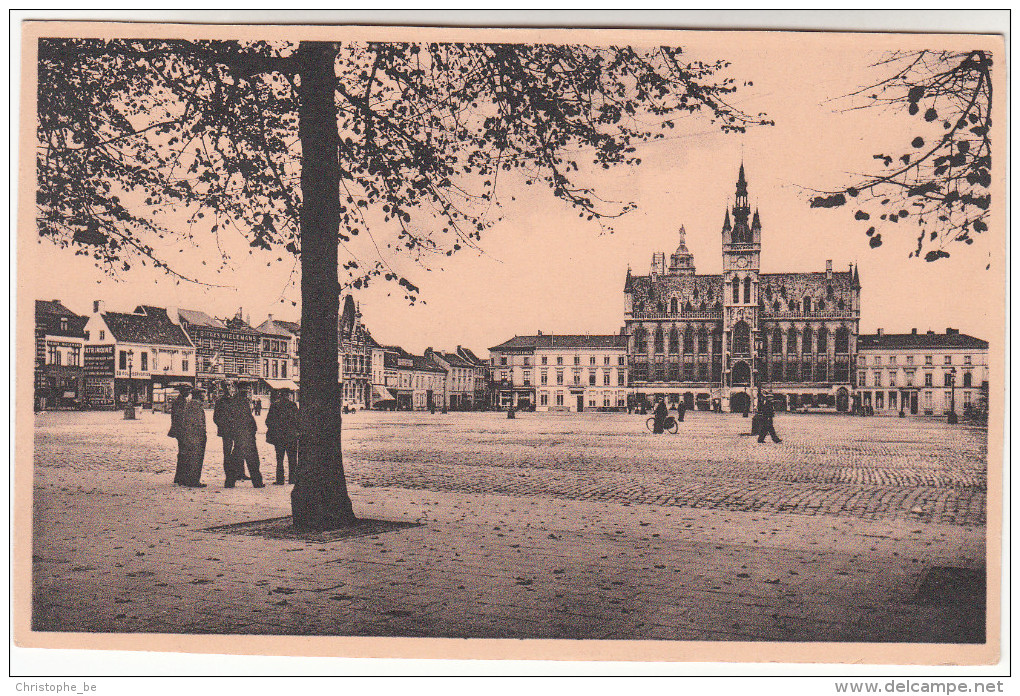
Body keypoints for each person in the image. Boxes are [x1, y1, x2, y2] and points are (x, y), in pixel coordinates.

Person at [229, 385, 265, 488]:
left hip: (240, 434)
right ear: (241, 391)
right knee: (252, 459)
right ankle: (257, 482)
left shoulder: (235, 401)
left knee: (236, 459)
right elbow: (247, 418)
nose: (247, 392)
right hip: (246, 435)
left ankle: (230, 482)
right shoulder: (242, 402)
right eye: (245, 391)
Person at [265, 387, 299, 485]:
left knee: (279, 459)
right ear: (288, 395)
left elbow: (268, 421)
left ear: (280, 395)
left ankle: (280, 480)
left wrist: (275, 429)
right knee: (292, 459)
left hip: (279, 437)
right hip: (291, 436)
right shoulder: (293, 406)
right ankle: (293, 479)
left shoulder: (275, 406)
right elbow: (298, 420)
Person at [177, 386, 209, 487]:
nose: (205, 396)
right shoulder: (195, 406)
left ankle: (188, 479)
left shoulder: (192, 404)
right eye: (203, 394)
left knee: (190, 457)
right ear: (199, 395)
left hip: (191, 436)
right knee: (196, 458)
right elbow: (197, 423)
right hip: (196, 437)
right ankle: (193, 480)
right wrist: (201, 435)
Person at [214, 382, 241, 487]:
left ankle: (236, 473)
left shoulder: (236, 401)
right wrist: (225, 425)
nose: (229, 388)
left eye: (230, 386)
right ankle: (229, 477)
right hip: (226, 431)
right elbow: (216, 417)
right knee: (227, 454)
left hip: (236, 430)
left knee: (237, 452)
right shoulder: (220, 402)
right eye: (226, 386)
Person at [168, 385, 191, 485]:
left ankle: (180, 477)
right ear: (183, 391)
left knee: (183, 453)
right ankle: (181, 478)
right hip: (181, 431)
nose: (189, 393)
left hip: (181, 430)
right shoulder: (180, 402)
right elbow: (180, 418)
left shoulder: (181, 401)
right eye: (187, 391)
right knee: (183, 453)